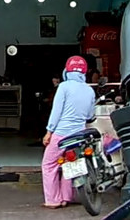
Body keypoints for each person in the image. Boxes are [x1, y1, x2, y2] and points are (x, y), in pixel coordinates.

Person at [41, 56, 96, 209]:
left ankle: (53, 200)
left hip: (61, 133)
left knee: (49, 164)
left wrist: (49, 131)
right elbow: (90, 115)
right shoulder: (90, 90)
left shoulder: (63, 87)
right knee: (69, 163)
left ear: (67, 71)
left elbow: (56, 111)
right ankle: (66, 197)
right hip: (79, 135)